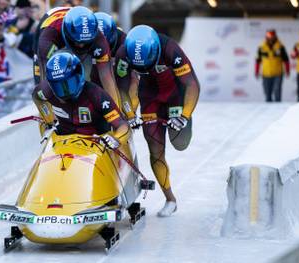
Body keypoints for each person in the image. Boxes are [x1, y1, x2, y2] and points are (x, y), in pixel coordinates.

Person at [114, 25, 200, 217]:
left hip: (175, 96)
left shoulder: (170, 49)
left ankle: (184, 121)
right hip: (150, 98)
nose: (144, 69)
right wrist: (130, 115)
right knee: (155, 150)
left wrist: (184, 115)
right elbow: (121, 90)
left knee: (180, 143)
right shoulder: (123, 54)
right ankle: (170, 199)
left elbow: (192, 83)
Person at [32, 52, 130, 149]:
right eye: (59, 87)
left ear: (78, 75)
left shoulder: (96, 95)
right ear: (51, 85)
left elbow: (122, 124)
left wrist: (116, 139)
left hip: (96, 144)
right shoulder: (45, 90)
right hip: (64, 144)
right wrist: (49, 121)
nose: (66, 91)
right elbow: (37, 98)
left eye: (70, 84)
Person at [34, 6, 121, 109]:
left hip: (73, 30)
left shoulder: (98, 37)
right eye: (77, 42)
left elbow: (107, 77)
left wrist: (117, 111)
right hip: (49, 37)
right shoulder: (48, 38)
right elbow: (45, 84)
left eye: (86, 43)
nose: (81, 46)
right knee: (53, 79)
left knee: (86, 78)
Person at [91, 12, 140, 123]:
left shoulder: (125, 44)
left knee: (131, 80)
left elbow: (131, 80)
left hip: (118, 75)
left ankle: (127, 115)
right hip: (96, 74)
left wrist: (129, 113)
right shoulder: (86, 41)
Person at [255, 30, 290, 102]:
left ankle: (279, 111)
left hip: (278, 74)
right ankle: (268, 112)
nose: (270, 38)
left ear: (275, 36)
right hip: (266, 74)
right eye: (269, 36)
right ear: (266, 37)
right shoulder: (261, 47)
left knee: (277, 93)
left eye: (272, 36)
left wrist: (287, 71)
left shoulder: (280, 47)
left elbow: (286, 60)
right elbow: (257, 61)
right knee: (267, 95)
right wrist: (256, 71)